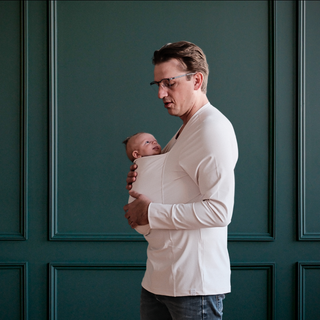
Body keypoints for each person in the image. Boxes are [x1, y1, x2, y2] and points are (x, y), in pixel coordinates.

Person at [123, 41, 238, 320]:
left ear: (196, 80)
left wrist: (149, 212)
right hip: (158, 279)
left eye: (169, 83)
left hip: (193, 286)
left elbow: (220, 211)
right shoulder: (184, 130)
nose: (161, 93)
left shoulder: (212, 129)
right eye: (157, 85)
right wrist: (142, 176)